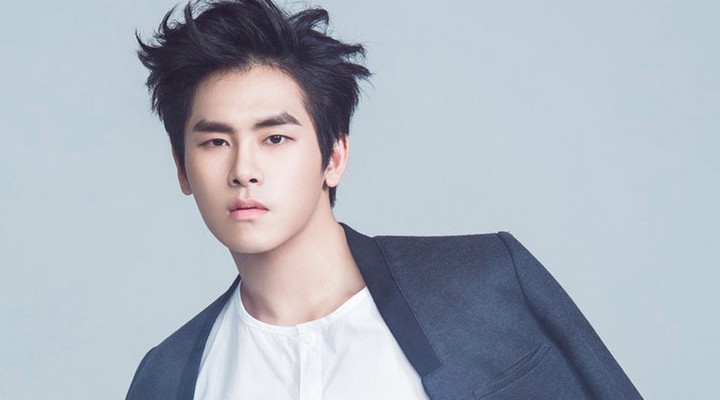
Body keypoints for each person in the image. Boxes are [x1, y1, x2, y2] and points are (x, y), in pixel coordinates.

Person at [127, 0, 643, 399]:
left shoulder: (482, 283)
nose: (243, 170)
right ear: (182, 169)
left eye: (275, 138)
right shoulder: (168, 376)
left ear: (334, 156)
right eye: (216, 142)